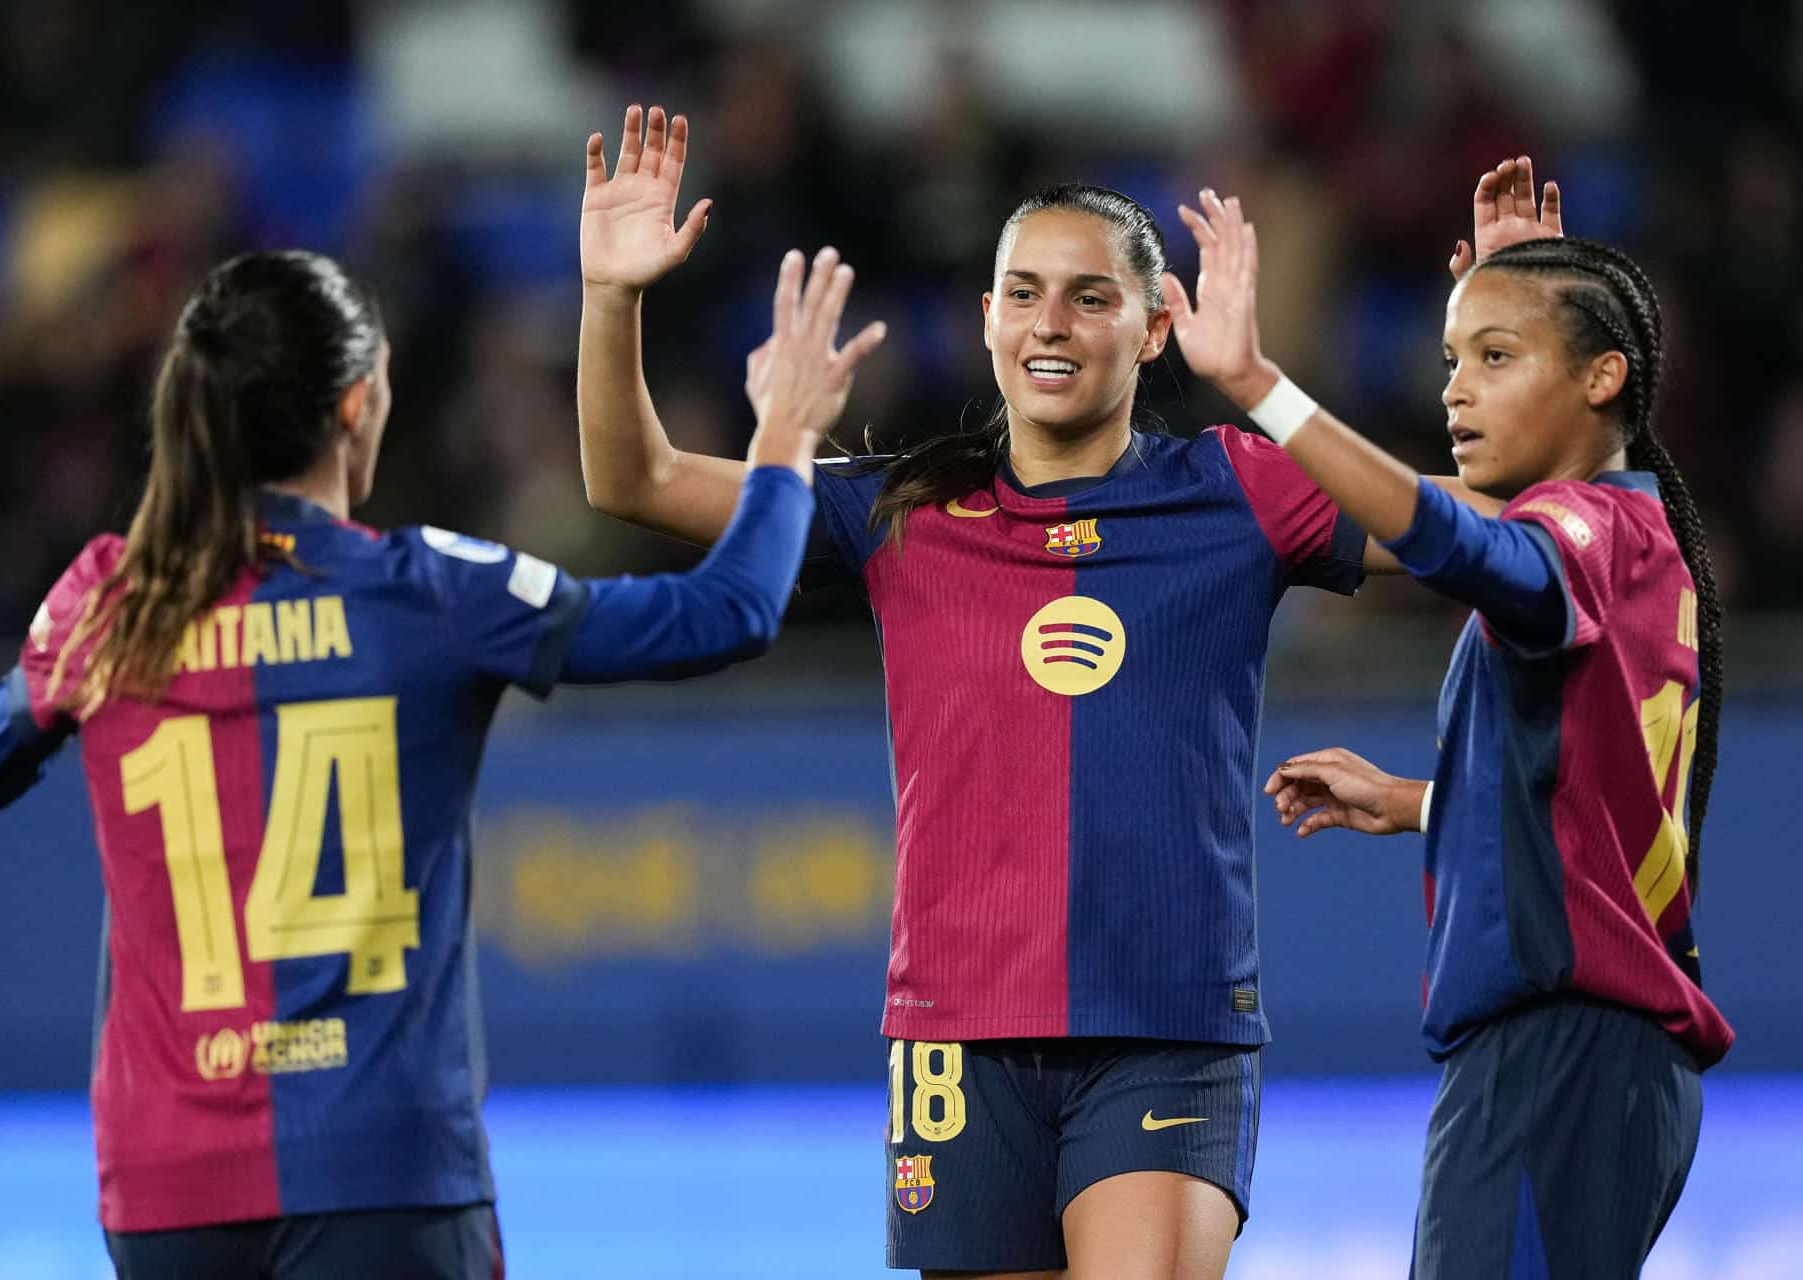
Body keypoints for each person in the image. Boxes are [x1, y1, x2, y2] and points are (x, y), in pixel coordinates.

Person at [576, 106, 1537, 1279]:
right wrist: (612, 297)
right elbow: (635, 478)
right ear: (986, 321)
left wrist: (1514, 331)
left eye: (1092, 296)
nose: (1052, 322)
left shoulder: (1239, 490)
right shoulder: (903, 511)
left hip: (1168, 1023)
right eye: (1024, 292)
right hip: (956, 1036)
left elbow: (1509, 525)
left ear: (1154, 329)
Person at [0, 242, 882, 1278]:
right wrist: (786, 436)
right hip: (386, 1170)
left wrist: (62, 647)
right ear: (353, 405)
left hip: (168, 1186)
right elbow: (729, 610)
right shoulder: (426, 590)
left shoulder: (112, 600)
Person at [1159, 186, 1732, 1278]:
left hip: (1558, 1057)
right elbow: (1602, 794)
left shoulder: (1569, 529)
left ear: (1604, 375)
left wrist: (1259, 389)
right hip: (1598, 1062)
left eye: (1496, 357)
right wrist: (1430, 799)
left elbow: (1466, 549)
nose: (1456, 391)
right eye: (1451, 357)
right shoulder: (1639, 534)